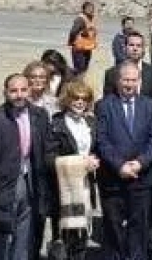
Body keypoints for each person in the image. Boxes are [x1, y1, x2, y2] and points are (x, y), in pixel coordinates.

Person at [0, 73, 55, 260]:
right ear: (5, 93)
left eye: (23, 90)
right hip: (4, 182)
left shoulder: (39, 115)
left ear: (29, 90)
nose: (19, 95)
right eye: (13, 91)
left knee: (25, 230)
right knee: (1, 229)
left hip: (30, 179)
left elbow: (48, 147)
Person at [95, 61, 152, 260]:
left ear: (139, 81)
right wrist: (119, 165)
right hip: (113, 179)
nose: (129, 84)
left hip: (141, 179)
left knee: (139, 227)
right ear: (117, 81)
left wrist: (140, 163)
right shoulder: (104, 105)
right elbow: (102, 140)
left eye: (133, 80)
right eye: (125, 80)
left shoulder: (149, 105)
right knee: (113, 227)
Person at [47, 80, 100, 260]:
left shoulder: (92, 122)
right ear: (67, 100)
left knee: (82, 236)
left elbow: (98, 150)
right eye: (75, 98)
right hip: (64, 189)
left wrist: (95, 161)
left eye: (84, 98)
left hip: (86, 186)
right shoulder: (57, 123)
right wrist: (81, 162)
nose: (80, 102)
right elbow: (49, 159)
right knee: (64, 238)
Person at [67, 2, 98, 76]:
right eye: (89, 8)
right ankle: (75, 84)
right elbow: (73, 31)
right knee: (79, 70)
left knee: (84, 70)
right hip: (79, 49)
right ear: (83, 9)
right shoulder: (80, 19)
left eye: (92, 8)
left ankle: (81, 85)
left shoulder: (90, 19)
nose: (91, 10)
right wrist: (71, 42)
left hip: (87, 48)